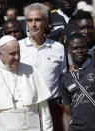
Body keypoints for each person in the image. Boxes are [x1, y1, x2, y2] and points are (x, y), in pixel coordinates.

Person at [0, 35, 53, 131]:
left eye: (18, 52)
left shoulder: (32, 71)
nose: (17, 57)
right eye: (12, 54)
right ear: (0, 54)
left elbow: (45, 114)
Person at [18, 3, 67, 131]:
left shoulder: (59, 48)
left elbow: (63, 78)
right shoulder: (17, 47)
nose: (33, 24)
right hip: (26, 110)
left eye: (38, 20)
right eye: (30, 20)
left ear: (46, 22)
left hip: (54, 109)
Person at [61, 33, 95, 131]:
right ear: (68, 51)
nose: (79, 51)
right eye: (75, 48)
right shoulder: (65, 79)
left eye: (83, 47)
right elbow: (67, 112)